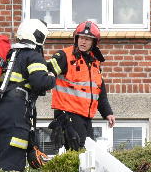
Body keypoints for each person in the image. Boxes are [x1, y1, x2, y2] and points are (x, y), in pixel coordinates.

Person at [0, 19, 55, 172]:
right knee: (13, 165)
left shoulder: (9, 54)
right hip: (15, 113)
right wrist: (51, 76)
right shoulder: (32, 55)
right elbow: (40, 82)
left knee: (2, 160)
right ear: (38, 37)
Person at [47, 21, 115, 150]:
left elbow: (99, 91)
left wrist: (108, 113)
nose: (83, 42)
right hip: (69, 115)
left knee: (88, 154)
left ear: (93, 43)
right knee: (80, 152)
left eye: (88, 39)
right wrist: (60, 118)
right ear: (76, 38)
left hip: (86, 117)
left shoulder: (95, 62)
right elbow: (44, 74)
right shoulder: (64, 56)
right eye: (81, 38)